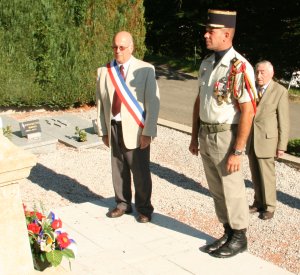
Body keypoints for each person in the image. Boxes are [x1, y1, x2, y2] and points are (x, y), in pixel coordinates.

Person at [189, 9, 256, 258]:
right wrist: (194, 135)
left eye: (211, 31)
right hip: (207, 133)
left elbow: (247, 111)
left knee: (232, 188)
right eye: (206, 30)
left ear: (226, 34)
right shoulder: (207, 63)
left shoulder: (239, 67)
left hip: (226, 136)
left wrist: (238, 151)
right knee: (217, 188)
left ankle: (240, 236)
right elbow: (200, 100)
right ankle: (227, 231)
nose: (205, 35)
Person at [95, 31, 160, 223]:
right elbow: (100, 103)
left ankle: (144, 208)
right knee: (118, 167)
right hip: (114, 125)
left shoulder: (146, 69)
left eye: (122, 47)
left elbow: (153, 104)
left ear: (131, 47)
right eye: (114, 47)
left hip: (137, 129)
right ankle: (122, 203)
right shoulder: (104, 71)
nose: (117, 51)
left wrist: (148, 132)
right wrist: (103, 131)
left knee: (140, 171)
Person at [248, 61, 289, 220]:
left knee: (267, 175)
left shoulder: (279, 91)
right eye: (257, 72)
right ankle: (258, 202)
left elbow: (284, 121)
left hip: (267, 140)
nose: (259, 75)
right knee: (255, 174)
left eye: (262, 72)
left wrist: (282, 146)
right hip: (252, 139)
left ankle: (270, 206)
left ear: (271, 73)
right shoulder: (251, 88)